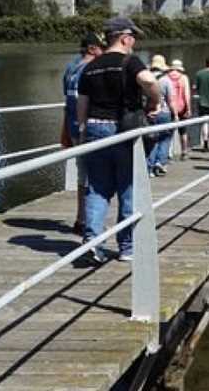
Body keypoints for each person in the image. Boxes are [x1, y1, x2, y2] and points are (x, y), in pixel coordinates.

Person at [76, 17, 161, 264]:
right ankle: (127, 247)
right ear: (125, 38)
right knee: (128, 187)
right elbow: (148, 80)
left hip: (94, 129)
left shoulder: (90, 67)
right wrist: (155, 102)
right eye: (133, 38)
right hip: (123, 130)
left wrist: (83, 132)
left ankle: (93, 244)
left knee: (98, 189)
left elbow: (82, 104)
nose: (134, 43)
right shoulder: (129, 61)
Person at [61, 32, 105, 235]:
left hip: (73, 127)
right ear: (91, 49)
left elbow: (67, 102)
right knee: (93, 176)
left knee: (83, 175)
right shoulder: (90, 69)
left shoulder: (70, 68)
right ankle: (88, 222)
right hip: (86, 128)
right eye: (101, 47)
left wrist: (65, 129)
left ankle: (82, 218)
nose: (104, 51)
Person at [144, 55, 175, 177]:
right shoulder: (166, 80)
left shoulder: (146, 79)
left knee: (152, 140)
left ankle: (150, 166)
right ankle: (160, 162)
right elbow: (170, 99)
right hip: (164, 112)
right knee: (165, 138)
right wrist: (176, 114)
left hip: (150, 112)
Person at [165, 59, 191, 158]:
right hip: (182, 106)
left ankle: (168, 153)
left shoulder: (167, 77)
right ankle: (184, 151)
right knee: (183, 131)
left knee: (169, 131)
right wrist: (188, 109)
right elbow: (186, 95)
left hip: (170, 106)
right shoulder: (184, 78)